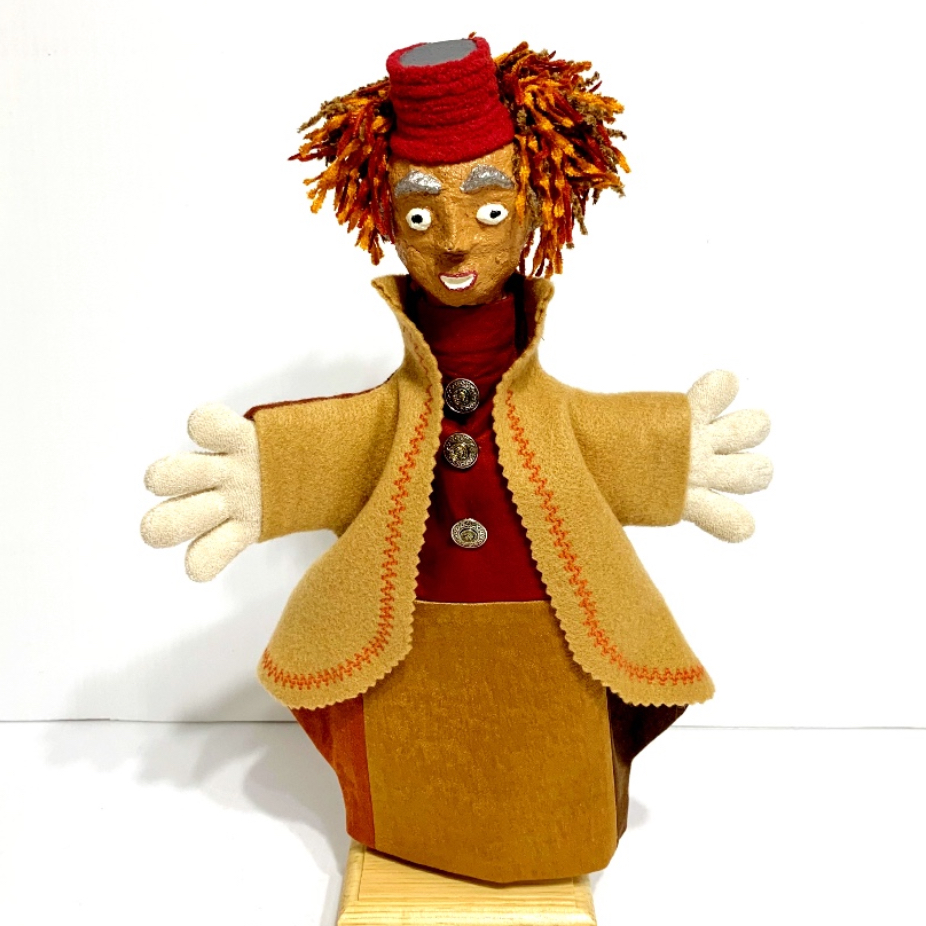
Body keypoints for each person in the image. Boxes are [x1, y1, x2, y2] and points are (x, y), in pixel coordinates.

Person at [141, 37, 772, 883]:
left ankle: (552, 844)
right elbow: (356, 438)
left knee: (555, 791)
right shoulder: (388, 418)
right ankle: (412, 841)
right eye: (417, 215)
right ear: (385, 221)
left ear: (537, 207)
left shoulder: (552, 412)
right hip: (405, 646)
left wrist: (669, 449)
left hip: (551, 644)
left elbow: (584, 432)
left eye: (487, 208)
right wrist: (269, 468)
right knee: (409, 771)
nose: (451, 240)